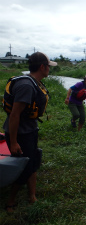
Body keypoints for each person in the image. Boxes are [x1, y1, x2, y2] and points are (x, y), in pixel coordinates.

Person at [2, 52, 57, 213]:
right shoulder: (26, 85)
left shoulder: (34, 82)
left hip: (30, 129)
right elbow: (15, 115)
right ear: (42, 67)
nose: (49, 69)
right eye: (48, 66)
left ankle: (31, 195)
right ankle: (10, 201)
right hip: (20, 134)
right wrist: (13, 142)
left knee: (33, 162)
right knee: (22, 167)